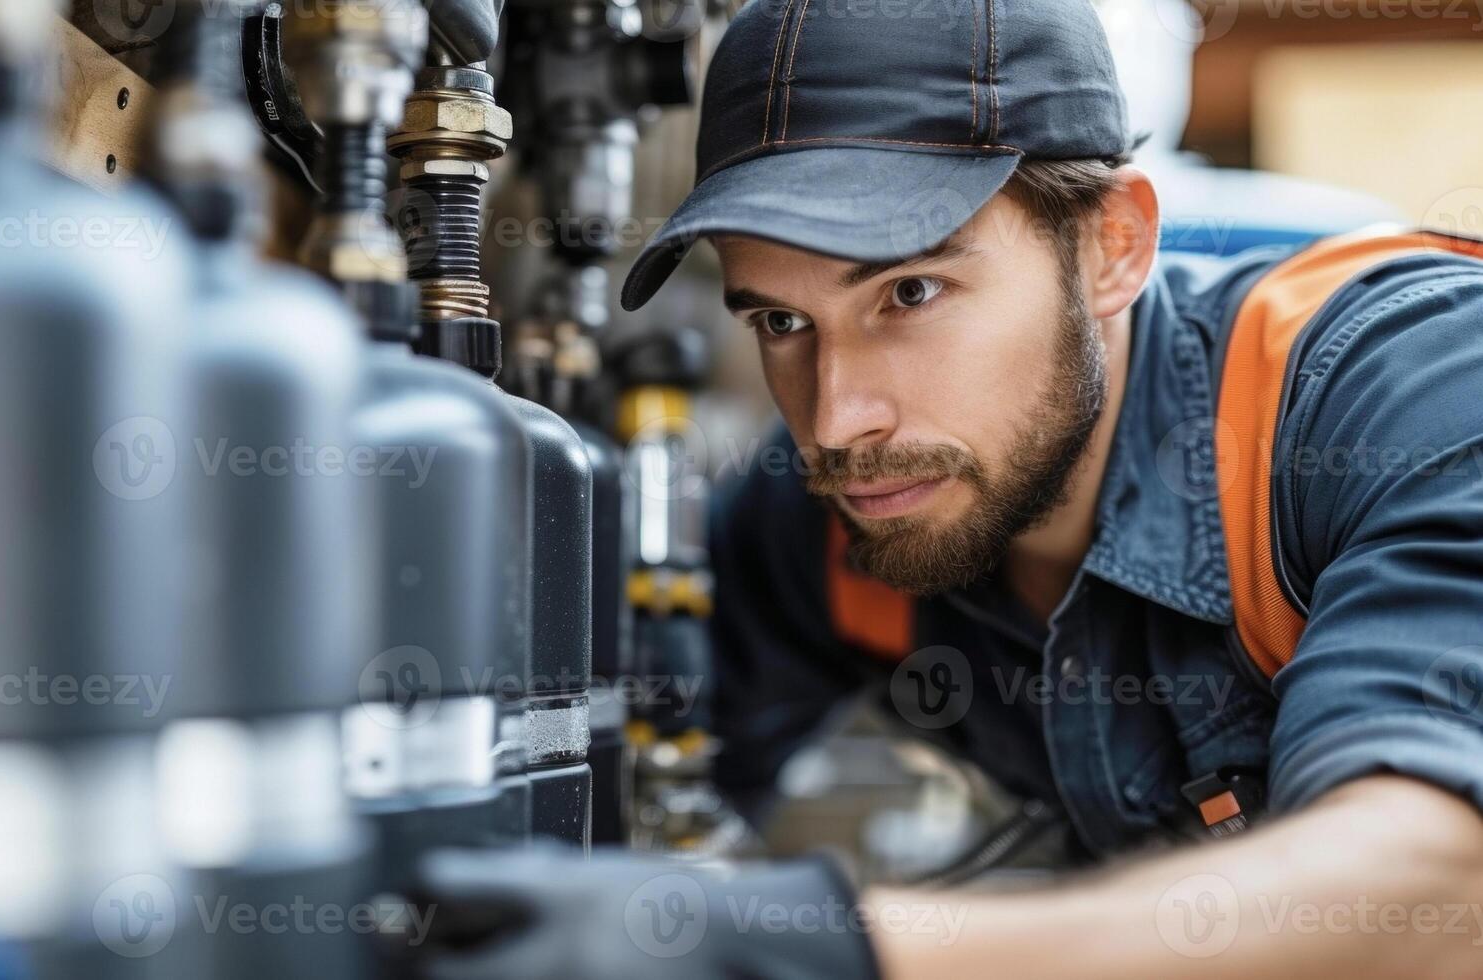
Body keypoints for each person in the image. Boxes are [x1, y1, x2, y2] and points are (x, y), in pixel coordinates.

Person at [403, 0, 1483, 976]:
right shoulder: (840, 511)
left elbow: (1440, 880)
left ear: (1114, 243)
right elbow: (632, 759)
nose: (838, 419)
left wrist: (822, 944)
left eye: (909, 291)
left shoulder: (1406, 388)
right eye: (781, 320)